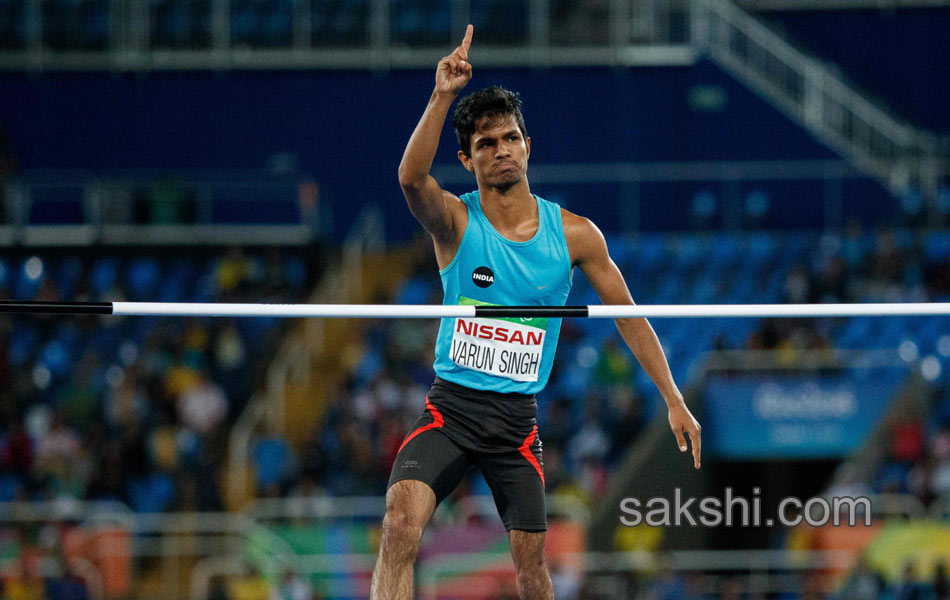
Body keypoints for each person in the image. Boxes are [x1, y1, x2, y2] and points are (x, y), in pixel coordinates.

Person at [369, 25, 701, 600]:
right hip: (451, 411)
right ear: (467, 158)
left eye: (510, 138)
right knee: (399, 524)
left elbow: (628, 316)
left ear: (528, 145)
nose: (501, 150)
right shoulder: (454, 222)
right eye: (487, 143)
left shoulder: (575, 235)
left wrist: (673, 398)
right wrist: (441, 95)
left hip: (515, 426)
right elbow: (408, 178)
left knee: (531, 569)